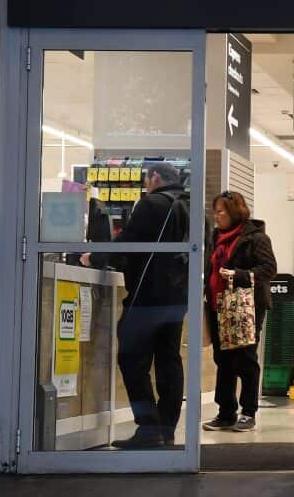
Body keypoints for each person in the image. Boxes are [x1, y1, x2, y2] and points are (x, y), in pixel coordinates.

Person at [105, 162, 192, 449]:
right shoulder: (193, 207)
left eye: (146, 179)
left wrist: (95, 257)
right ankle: (167, 428)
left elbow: (130, 243)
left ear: (155, 177)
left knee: (131, 359)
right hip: (179, 298)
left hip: (147, 297)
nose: (145, 184)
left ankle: (148, 427)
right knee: (169, 361)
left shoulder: (151, 204)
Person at [201, 191, 276, 433]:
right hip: (218, 306)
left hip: (246, 307)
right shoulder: (216, 237)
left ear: (234, 211)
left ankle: (248, 411)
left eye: (221, 210)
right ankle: (225, 412)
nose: (217, 215)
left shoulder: (255, 238)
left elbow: (269, 268)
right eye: (216, 210)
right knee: (222, 360)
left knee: (245, 358)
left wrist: (239, 275)